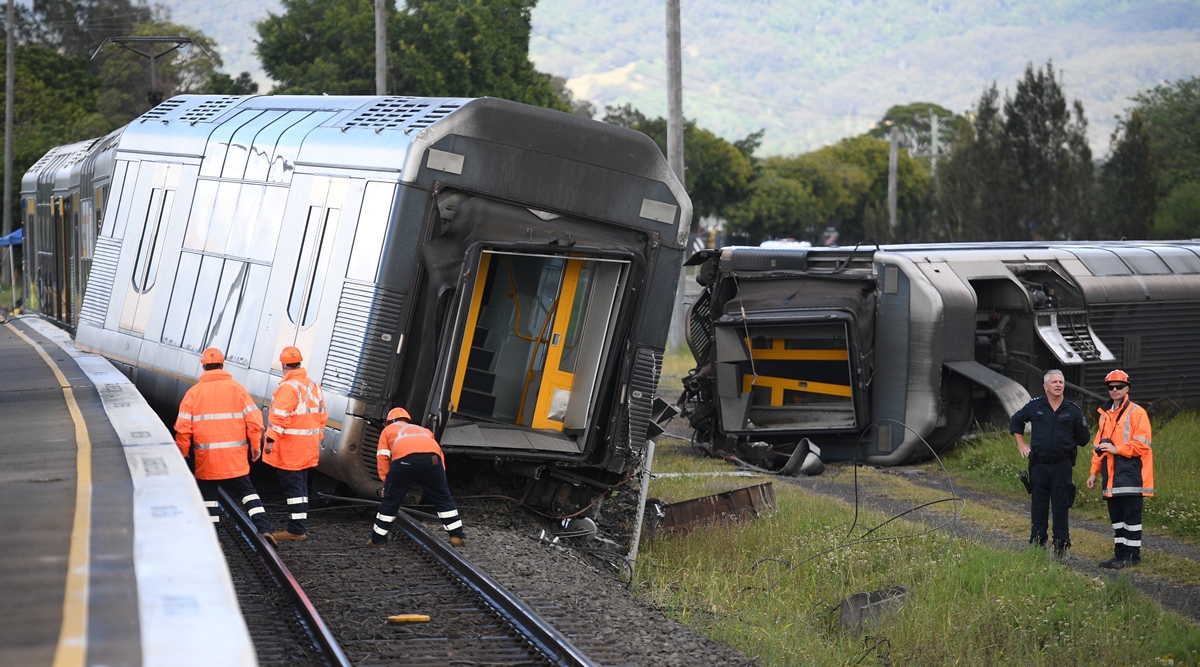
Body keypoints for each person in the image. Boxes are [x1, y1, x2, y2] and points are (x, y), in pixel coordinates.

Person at [175, 347, 276, 545]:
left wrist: (183, 453)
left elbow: (183, 429)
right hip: (234, 457)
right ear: (222, 365)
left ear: (203, 367)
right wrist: (255, 446)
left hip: (208, 459)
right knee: (248, 493)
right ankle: (264, 529)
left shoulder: (193, 393)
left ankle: (215, 537)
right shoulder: (237, 389)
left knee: (209, 498)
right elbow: (255, 421)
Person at [1010, 369, 1090, 559]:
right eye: (1054, 382)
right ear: (1045, 386)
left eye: (1061, 382)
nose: (1058, 385)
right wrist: (1021, 443)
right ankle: (1037, 544)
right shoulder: (1035, 406)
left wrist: (1064, 444)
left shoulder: (1072, 411)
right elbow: (1015, 422)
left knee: (1061, 507)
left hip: (1061, 466)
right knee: (1039, 506)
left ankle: (1060, 547)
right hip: (1039, 465)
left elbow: (1084, 438)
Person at [368, 407, 466, 548]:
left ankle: (378, 540)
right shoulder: (424, 430)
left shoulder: (387, 430)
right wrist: (440, 477)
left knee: (391, 501)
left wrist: (387, 483)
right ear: (408, 420)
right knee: (443, 497)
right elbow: (439, 454)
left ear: (388, 421)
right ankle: (457, 536)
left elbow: (383, 457)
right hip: (432, 461)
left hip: (404, 461)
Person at [1088, 369, 1155, 569]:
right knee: (1117, 519)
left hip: (1132, 474)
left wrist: (1118, 449)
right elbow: (1098, 447)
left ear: (1127, 389)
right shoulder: (1105, 415)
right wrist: (1093, 472)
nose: (1114, 390)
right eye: (1111, 387)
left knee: (1131, 518)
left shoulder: (1137, 412)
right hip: (1111, 476)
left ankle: (1132, 557)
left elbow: (1143, 444)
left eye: (1119, 387)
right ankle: (1119, 556)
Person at [263, 346, 327, 543]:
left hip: (290, 449)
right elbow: (322, 417)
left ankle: (296, 530)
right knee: (300, 488)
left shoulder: (288, 388)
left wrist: (269, 441)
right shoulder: (314, 386)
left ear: (283, 365)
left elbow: (279, 418)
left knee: (293, 489)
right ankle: (298, 526)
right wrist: (316, 440)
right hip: (307, 447)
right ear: (299, 364)